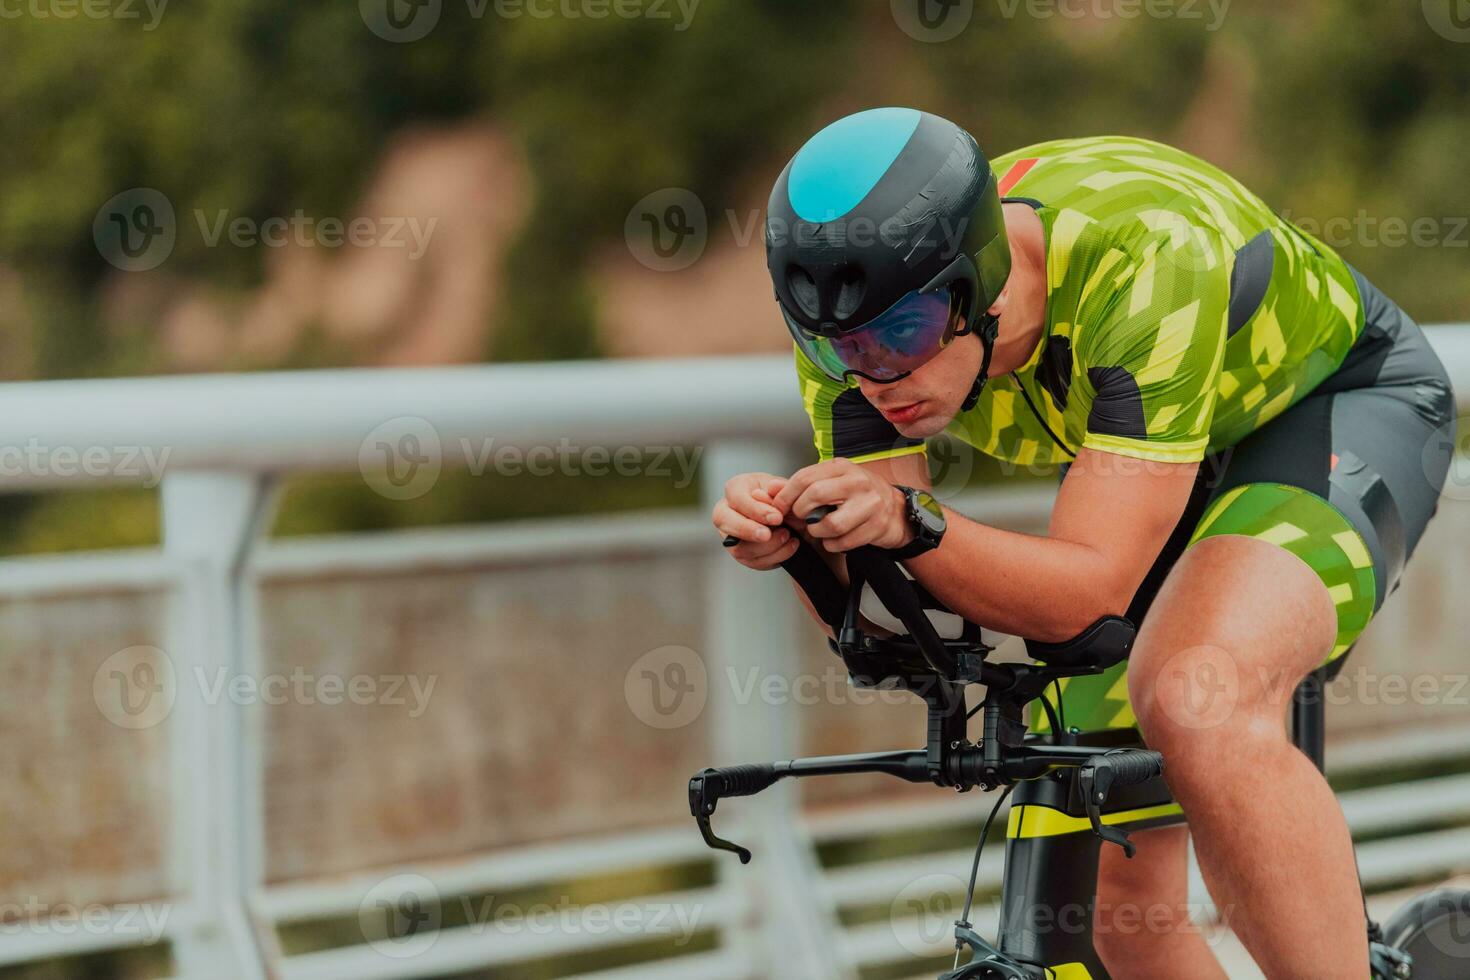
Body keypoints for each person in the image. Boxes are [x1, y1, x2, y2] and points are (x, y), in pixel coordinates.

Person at [711, 107, 1456, 978]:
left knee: (1194, 690)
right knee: (1108, 885)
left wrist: (906, 522)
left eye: (901, 338)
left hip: (1334, 407)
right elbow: (898, 581)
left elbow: (1083, 593)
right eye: (837, 349)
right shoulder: (853, 328)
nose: (874, 378)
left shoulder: (1145, 256)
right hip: (1142, 460)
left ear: (978, 283)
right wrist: (804, 538)